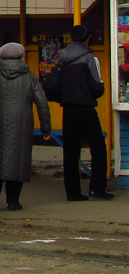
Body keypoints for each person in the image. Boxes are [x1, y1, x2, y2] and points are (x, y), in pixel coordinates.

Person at [0, 42, 51, 211]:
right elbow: (42, 104)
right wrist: (46, 128)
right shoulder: (30, 77)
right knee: (18, 162)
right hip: (22, 125)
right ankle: (13, 201)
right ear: (21, 57)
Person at [55, 24, 112, 201]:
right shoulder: (89, 58)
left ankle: (72, 192)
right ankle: (97, 189)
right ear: (87, 39)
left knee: (71, 152)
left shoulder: (61, 57)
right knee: (99, 149)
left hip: (68, 109)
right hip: (86, 109)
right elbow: (96, 87)